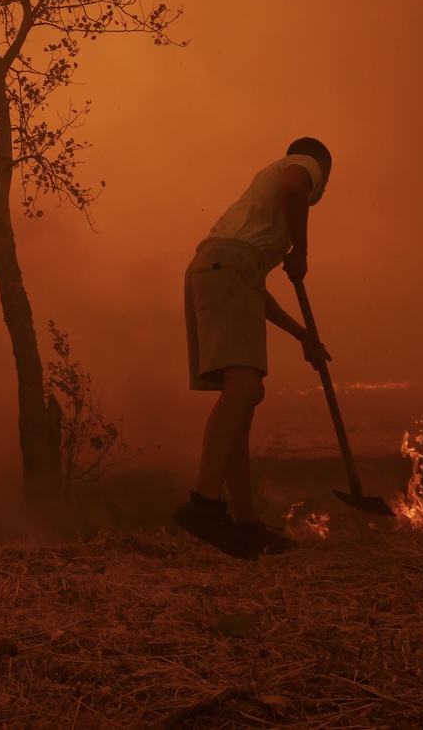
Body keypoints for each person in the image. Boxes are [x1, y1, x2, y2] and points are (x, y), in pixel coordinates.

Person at [175, 138, 334, 559]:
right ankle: (205, 505)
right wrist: (300, 251)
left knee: (240, 399)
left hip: (215, 270)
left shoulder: (250, 227)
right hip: (227, 267)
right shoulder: (304, 163)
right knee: (246, 389)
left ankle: (245, 524)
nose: (323, 190)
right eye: (326, 182)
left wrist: (301, 334)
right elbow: (296, 185)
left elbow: (251, 290)